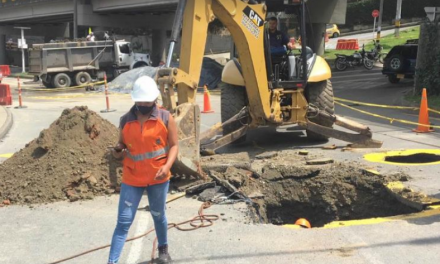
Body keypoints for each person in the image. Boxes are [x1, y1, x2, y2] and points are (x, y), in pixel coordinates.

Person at [108, 76, 178, 264]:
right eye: (141, 101)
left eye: (148, 100)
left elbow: (174, 146)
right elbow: (120, 150)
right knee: (123, 222)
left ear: (155, 99)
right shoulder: (125, 121)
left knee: (158, 215)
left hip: (158, 177)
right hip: (132, 179)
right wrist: (117, 150)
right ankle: (112, 262)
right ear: (135, 100)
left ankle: (163, 251)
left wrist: (167, 166)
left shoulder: (165, 117)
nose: (145, 104)